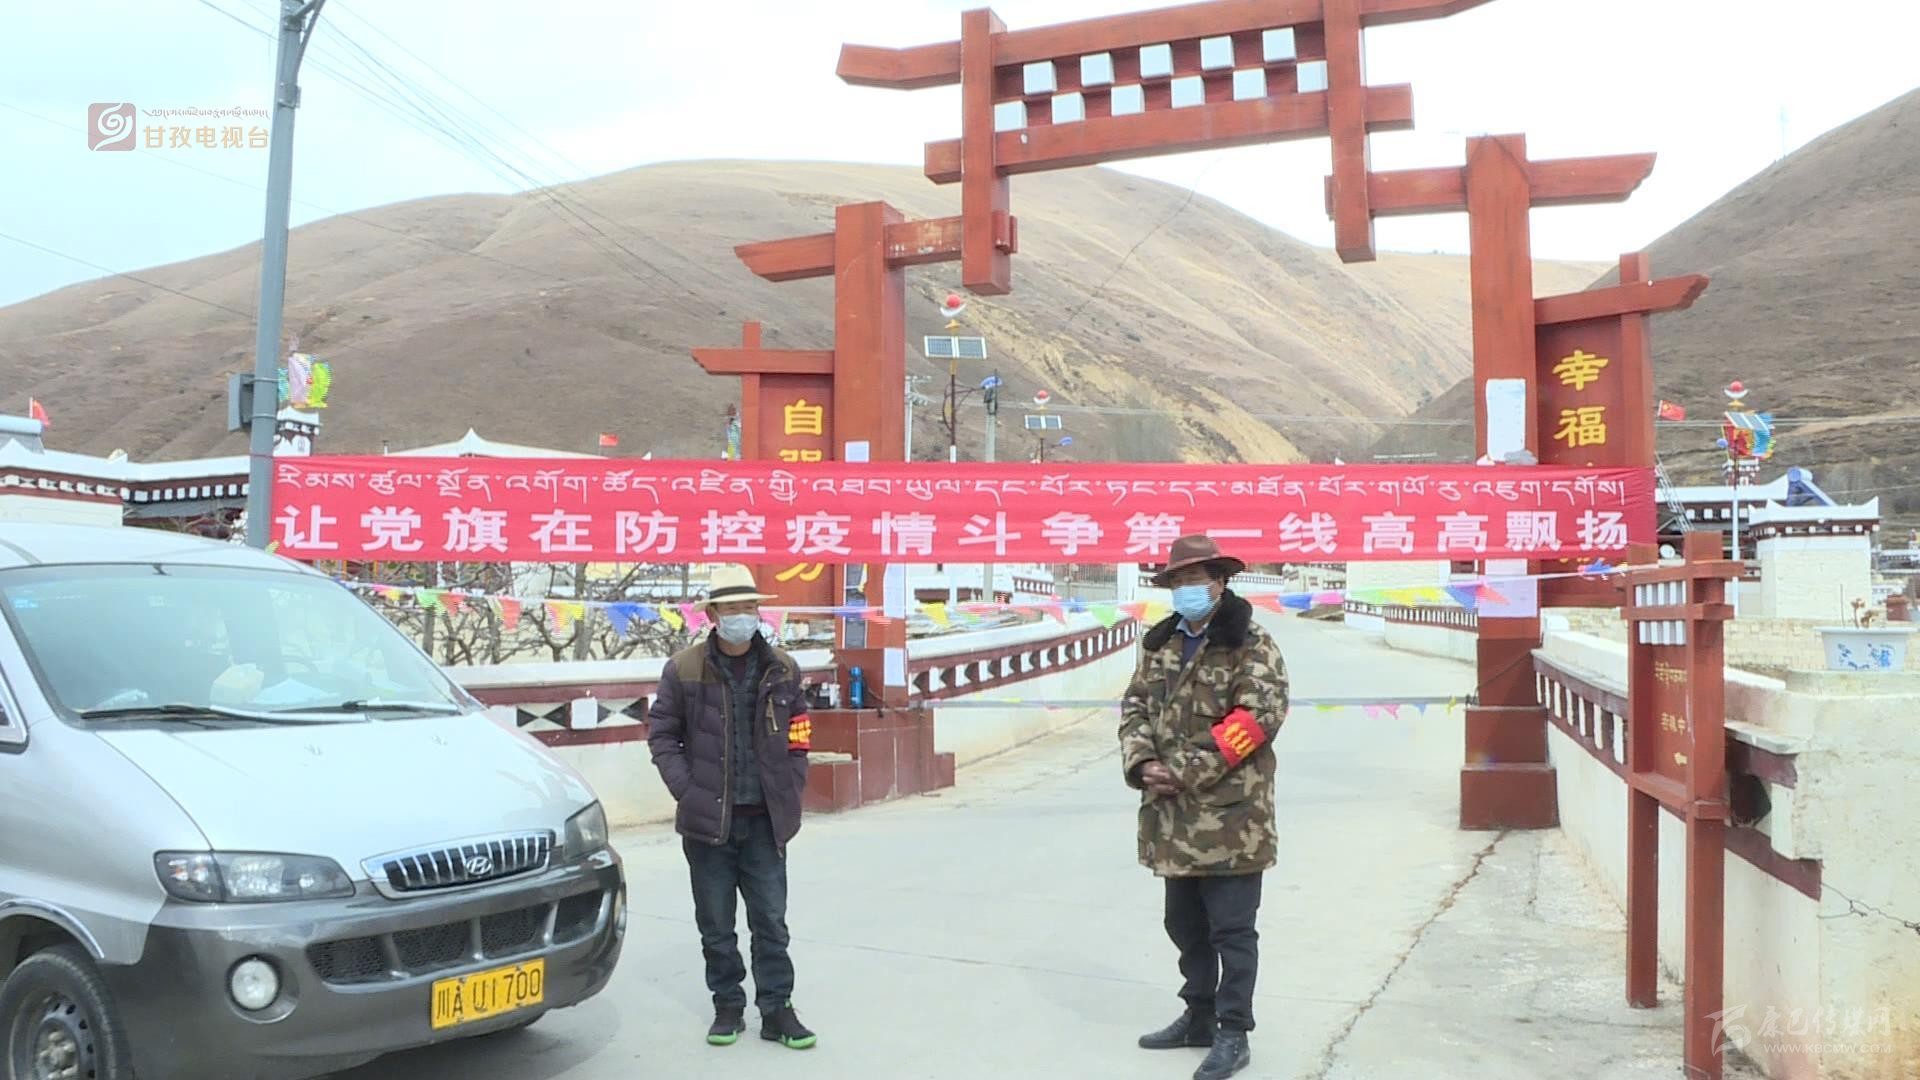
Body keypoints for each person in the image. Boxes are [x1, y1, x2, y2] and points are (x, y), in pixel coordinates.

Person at [1118, 535, 1291, 1080]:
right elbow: (1135, 705)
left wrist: (1187, 769)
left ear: (1220, 582)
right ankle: (1198, 1015)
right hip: (1172, 817)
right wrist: (1143, 760)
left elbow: (1257, 718)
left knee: (1232, 931)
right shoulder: (1162, 642)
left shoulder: (1250, 643)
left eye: (1196, 580)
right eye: (1178, 582)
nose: (1186, 590)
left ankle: (1233, 1031)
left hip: (1233, 818)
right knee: (1184, 924)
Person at [648, 564, 818, 1050]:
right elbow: (662, 736)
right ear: (713, 615)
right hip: (708, 823)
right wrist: (688, 790)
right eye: (732, 608)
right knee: (716, 926)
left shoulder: (782, 668)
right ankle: (727, 1006)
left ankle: (777, 1010)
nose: (743, 616)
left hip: (766, 820)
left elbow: (799, 736)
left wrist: (791, 788)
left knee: (771, 923)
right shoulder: (683, 669)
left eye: (749, 607)